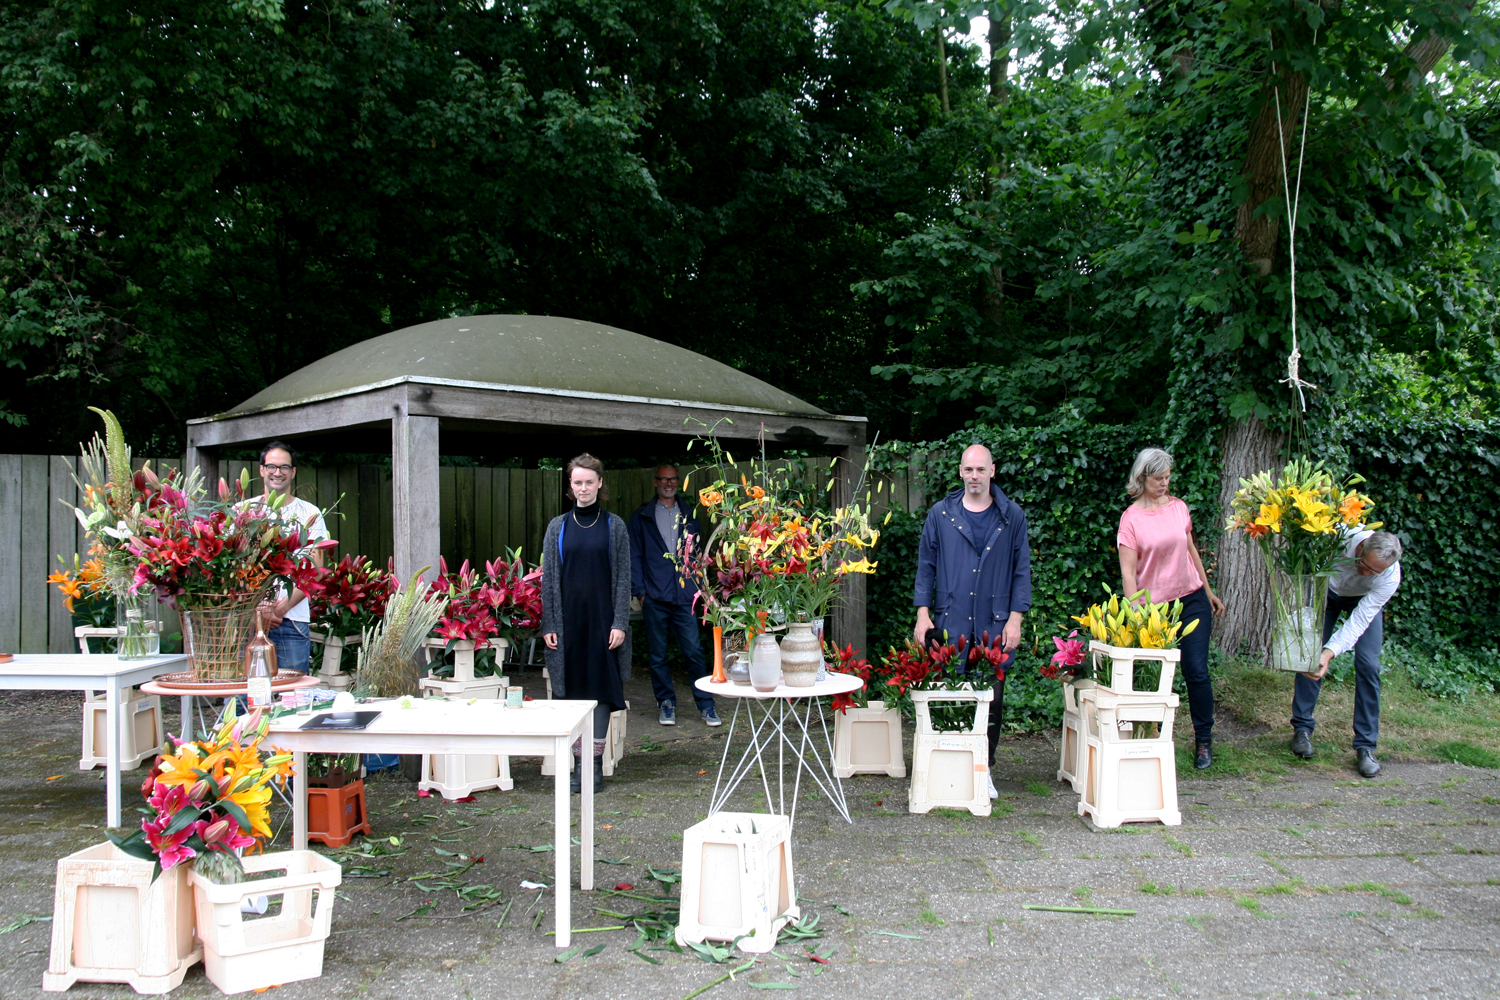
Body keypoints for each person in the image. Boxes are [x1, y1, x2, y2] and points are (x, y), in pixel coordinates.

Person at [913, 443, 1032, 798]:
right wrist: (923, 615)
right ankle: (946, 768)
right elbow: (926, 567)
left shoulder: (1011, 516)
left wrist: (1016, 620)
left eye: (980, 470)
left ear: (992, 470)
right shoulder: (941, 514)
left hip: (994, 624)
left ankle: (985, 770)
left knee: (991, 698)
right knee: (947, 695)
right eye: (968, 470)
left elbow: (1021, 572)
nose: (974, 477)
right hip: (951, 620)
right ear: (960, 472)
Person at [1117, 447, 1226, 770]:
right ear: (1142, 478)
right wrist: (1136, 611)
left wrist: (1208, 592)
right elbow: (1127, 572)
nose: (1164, 483)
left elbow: (1191, 550)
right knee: (1155, 677)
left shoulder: (1179, 508)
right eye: (1158, 478)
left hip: (1191, 598)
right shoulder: (1131, 518)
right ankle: (1150, 740)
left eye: (1167, 477)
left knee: (1196, 669)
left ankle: (1203, 741)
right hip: (1154, 608)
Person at [541, 454, 633, 793]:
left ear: (599, 484)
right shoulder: (558, 527)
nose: (583, 488)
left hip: (604, 624)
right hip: (568, 624)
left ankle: (594, 765)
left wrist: (620, 622)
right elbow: (549, 579)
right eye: (577, 483)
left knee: (602, 693)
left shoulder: (614, 526)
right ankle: (577, 765)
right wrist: (549, 623)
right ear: (571, 486)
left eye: (589, 482)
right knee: (572, 692)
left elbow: (624, 577)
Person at [1290, 530, 1403, 778]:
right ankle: (1302, 729)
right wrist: (1319, 651)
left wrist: (1329, 653)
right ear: (1361, 546)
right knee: (1310, 655)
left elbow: (1359, 622)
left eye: (1375, 572)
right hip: (1326, 589)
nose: (1366, 573)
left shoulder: (1390, 577)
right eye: (1364, 564)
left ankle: (1365, 746)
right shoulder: (1337, 536)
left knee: (1369, 665)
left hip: (1361, 601)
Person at [629, 464, 720, 728]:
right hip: (654, 597)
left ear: (677, 482)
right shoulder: (642, 517)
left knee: (693, 653)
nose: (668, 484)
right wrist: (641, 593)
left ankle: (706, 705)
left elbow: (698, 553)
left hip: (685, 596)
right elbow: (634, 556)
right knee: (657, 656)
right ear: (655, 482)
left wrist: (698, 587)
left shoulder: (689, 513)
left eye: (673, 480)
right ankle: (666, 704)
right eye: (664, 479)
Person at [242, 441, 329, 674]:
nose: (277, 473)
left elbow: (316, 568)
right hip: (248, 621)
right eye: (271, 466)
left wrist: (280, 609)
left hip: (291, 620)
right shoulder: (243, 511)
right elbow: (232, 568)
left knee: (294, 696)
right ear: (261, 470)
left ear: (293, 472)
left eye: (284, 467)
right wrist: (255, 610)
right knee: (246, 696)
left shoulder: (309, 514)